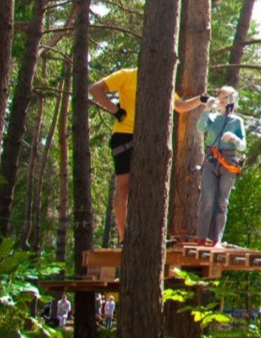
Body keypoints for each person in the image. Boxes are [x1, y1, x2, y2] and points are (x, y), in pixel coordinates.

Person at [89, 68, 208, 242]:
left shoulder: (163, 80)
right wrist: (115, 111)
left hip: (151, 139)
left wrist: (201, 99)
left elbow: (180, 106)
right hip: (124, 136)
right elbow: (95, 89)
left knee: (151, 186)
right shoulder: (127, 75)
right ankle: (124, 237)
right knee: (124, 186)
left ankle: (149, 236)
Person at [196, 85, 247, 246]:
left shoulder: (237, 121)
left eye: (227, 97)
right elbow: (200, 127)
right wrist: (206, 110)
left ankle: (216, 239)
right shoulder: (212, 117)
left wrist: (234, 138)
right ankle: (202, 238)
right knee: (207, 200)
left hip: (229, 162)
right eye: (221, 96)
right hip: (211, 160)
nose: (223, 100)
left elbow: (243, 146)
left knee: (222, 201)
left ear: (233, 101)